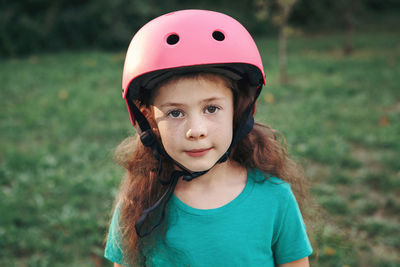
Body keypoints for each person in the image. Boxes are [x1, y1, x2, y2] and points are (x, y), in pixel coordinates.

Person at [105, 9, 313, 267]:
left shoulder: (275, 199)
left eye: (211, 108)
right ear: (148, 120)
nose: (196, 130)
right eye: (176, 112)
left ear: (238, 110)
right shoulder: (140, 202)